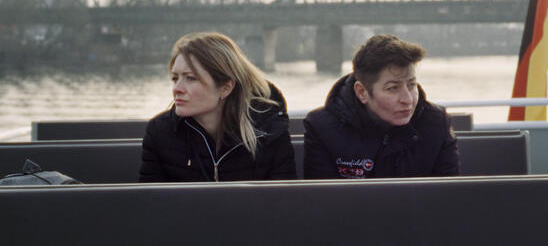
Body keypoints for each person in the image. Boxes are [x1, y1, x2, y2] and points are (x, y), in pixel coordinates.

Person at [139, 32, 296, 182]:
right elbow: (152, 205)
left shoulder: (268, 131)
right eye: (175, 78)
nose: (177, 89)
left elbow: (283, 202)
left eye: (190, 78)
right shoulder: (160, 133)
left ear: (225, 88)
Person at [303, 34, 459, 179]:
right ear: (362, 92)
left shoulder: (437, 123)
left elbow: (447, 198)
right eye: (392, 88)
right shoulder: (322, 129)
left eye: (412, 85)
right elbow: (322, 202)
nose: (407, 99)